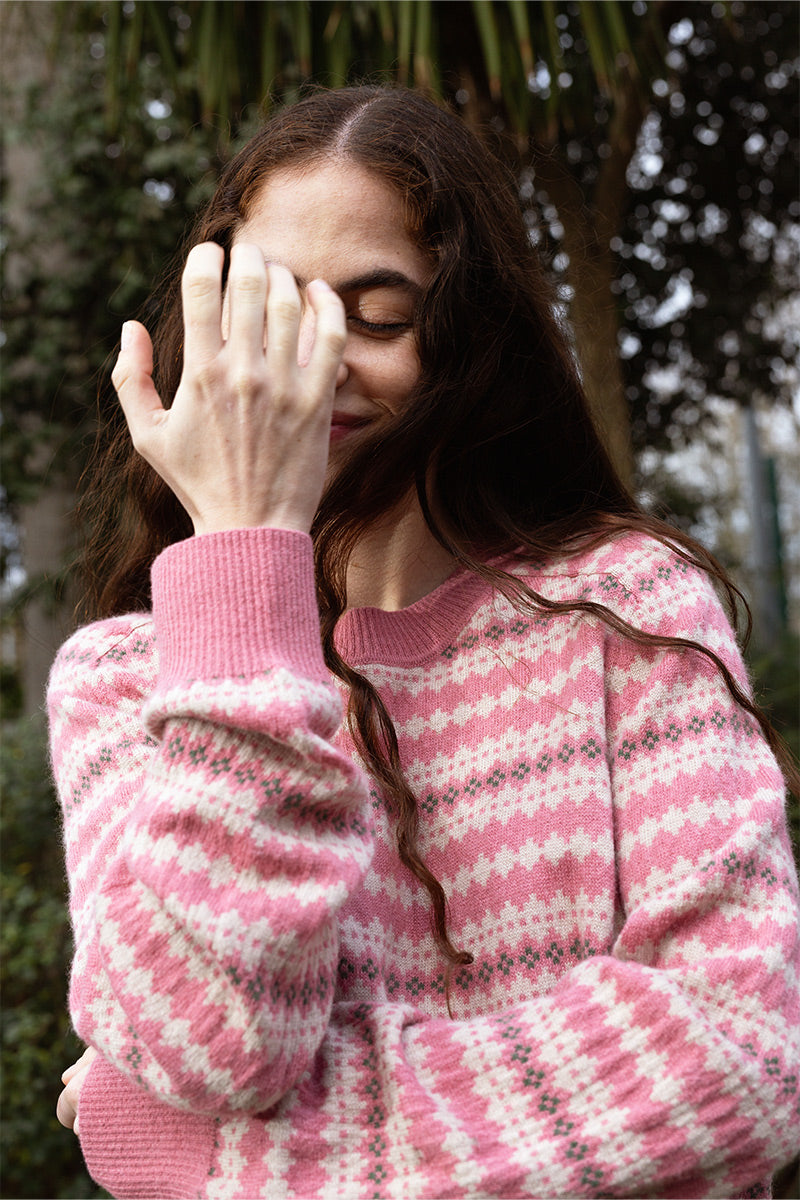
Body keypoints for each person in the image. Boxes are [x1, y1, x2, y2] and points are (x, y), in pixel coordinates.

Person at [49, 85, 799, 1199]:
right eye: (270, 313)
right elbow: (213, 1041)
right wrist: (246, 552)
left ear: (466, 340)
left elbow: (742, 1051)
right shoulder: (124, 678)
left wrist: (205, 1152)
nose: (308, 367)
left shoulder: (629, 608)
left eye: (379, 314)